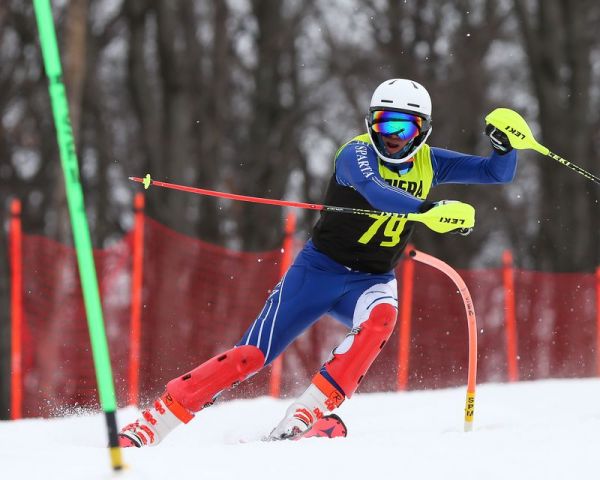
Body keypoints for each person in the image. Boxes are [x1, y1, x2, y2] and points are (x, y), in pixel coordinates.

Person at [119, 78, 517, 447]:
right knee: (250, 357)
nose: (391, 139)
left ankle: (308, 412)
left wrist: (506, 146)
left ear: (423, 131)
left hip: (372, 278)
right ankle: (154, 421)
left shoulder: (432, 161)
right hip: (318, 272)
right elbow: (375, 191)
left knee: (381, 320)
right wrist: (429, 209)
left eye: (404, 129)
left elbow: (494, 173)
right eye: (383, 125)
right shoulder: (355, 153)